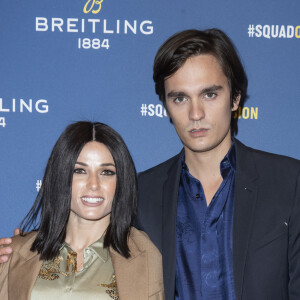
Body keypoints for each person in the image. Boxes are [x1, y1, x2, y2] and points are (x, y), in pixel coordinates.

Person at [1, 28, 300, 300]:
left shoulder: (289, 182)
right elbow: (80, 233)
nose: (196, 113)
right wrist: (21, 251)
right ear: (166, 106)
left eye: (210, 94)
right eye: (180, 98)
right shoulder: (140, 193)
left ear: (235, 98)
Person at [0, 121, 163, 300]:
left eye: (106, 172)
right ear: (61, 177)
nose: (93, 184)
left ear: (122, 181)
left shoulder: (146, 255)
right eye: (79, 170)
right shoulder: (16, 252)